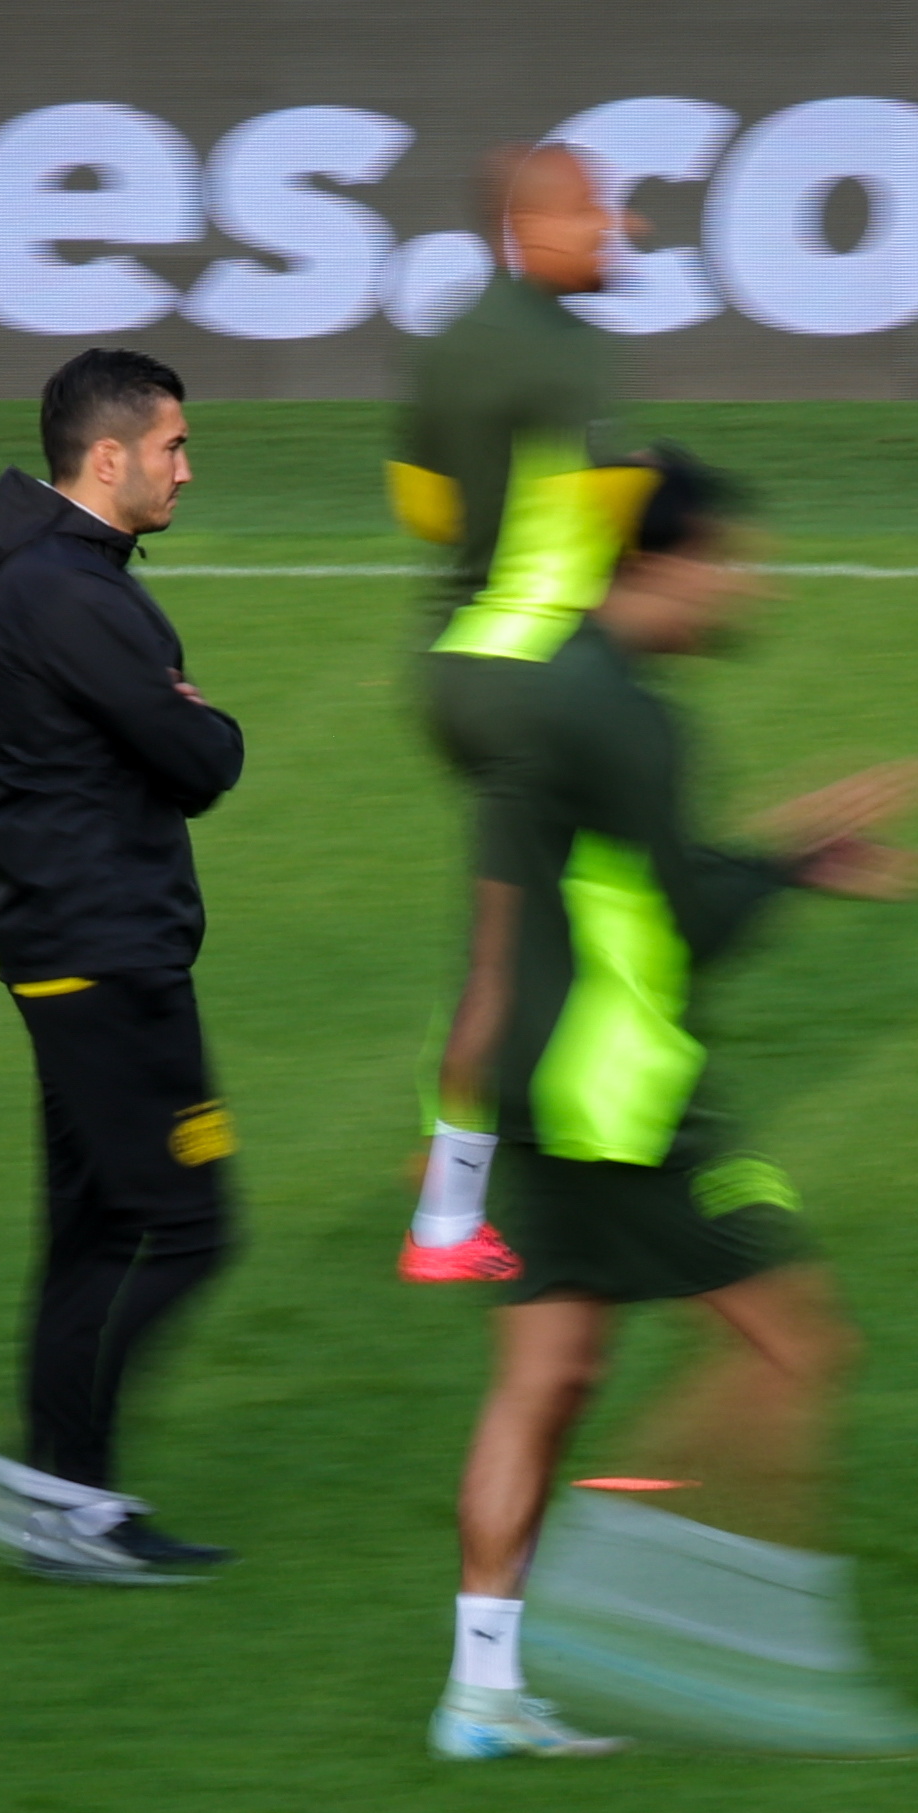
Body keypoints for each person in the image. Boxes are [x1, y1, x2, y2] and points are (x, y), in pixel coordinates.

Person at [425, 449, 918, 1758]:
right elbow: (680, 925)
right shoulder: (634, 718)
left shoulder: (543, 698)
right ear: (655, 564)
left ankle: (479, 1694)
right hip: (626, 1093)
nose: (741, 586)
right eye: (727, 559)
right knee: (800, 1346)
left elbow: (504, 937)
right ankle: (764, 1660)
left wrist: (456, 1160)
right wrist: (793, 860)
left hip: (537, 1087)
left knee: (545, 1377)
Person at [0, 349, 247, 1586]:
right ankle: (57, 1488)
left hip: (85, 955)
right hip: (107, 961)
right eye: (171, 444)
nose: (185, 464)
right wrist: (199, 720)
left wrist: (182, 726)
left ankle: (64, 1492)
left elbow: (172, 746)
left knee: (95, 1237)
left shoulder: (70, 582)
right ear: (105, 457)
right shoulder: (67, 594)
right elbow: (203, 755)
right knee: (185, 1226)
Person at [389, 140, 636, 1284]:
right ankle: (453, 1208)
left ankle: (466, 1163)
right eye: (589, 212)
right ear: (528, 227)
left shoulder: (444, 344)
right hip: (541, 677)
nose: (610, 228)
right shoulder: (570, 358)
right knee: (536, 944)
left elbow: (424, 506)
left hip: (453, 664)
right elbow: (603, 540)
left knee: (544, 927)